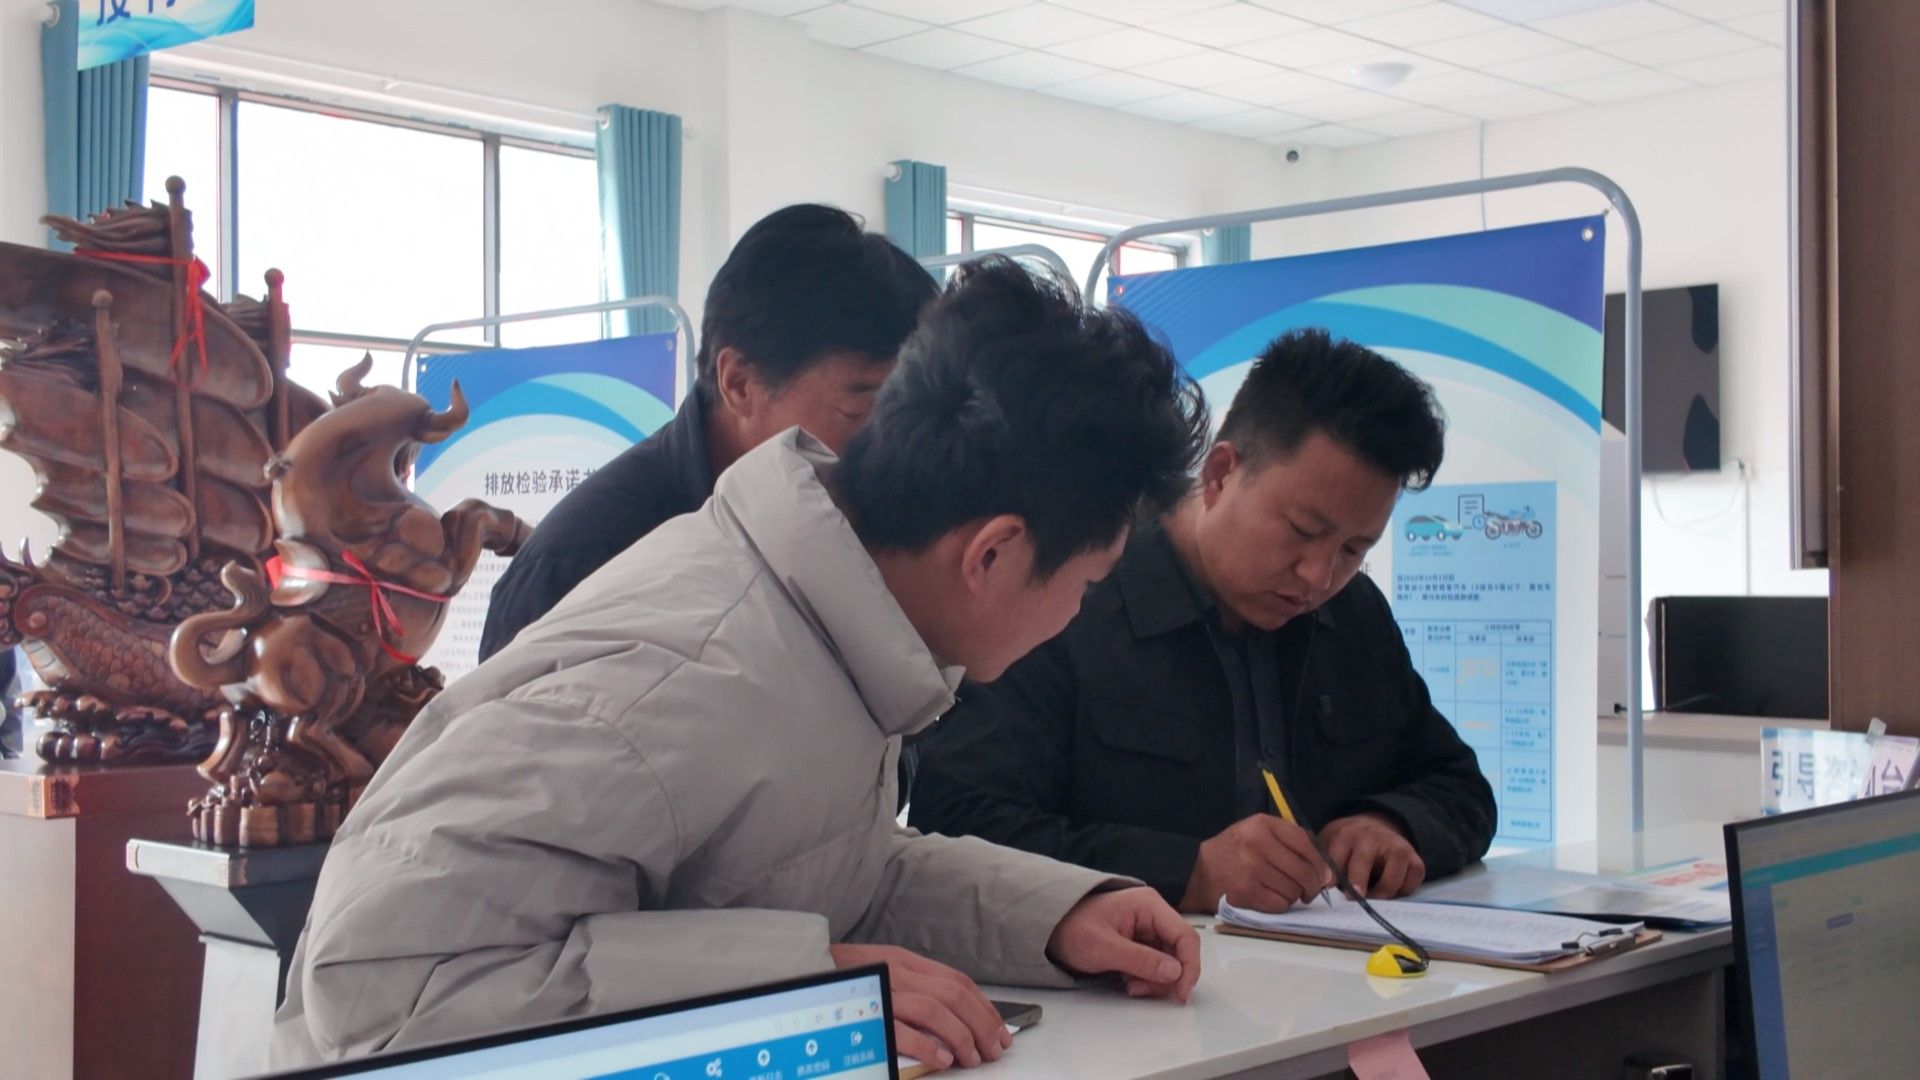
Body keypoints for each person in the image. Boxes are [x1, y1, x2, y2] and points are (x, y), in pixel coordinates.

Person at [271, 258, 1212, 1070]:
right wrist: (798, 987)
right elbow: (379, 987)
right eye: (1087, 584)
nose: (1079, 615)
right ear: (993, 554)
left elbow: (815, 874)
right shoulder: (684, 676)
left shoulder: (832, 624)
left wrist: (1051, 916)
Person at [910, 328, 1498, 916]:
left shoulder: (1355, 616)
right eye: (1303, 530)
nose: (1319, 576)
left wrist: (1392, 823)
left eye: (1353, 549)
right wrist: (1185, 872)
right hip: (1131, 969)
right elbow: (958, 824)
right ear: (1220, 473)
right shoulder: (1071, 596)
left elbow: (1459, 785)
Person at [478, 203, 937, 662]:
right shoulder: (581, 563)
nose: (893, 450)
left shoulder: (850, 519)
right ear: (739, 383)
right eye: (864, 411)